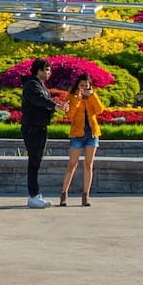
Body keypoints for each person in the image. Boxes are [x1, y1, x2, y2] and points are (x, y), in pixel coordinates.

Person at [18, 58, 65, 209]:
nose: (49, 72)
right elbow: (39, 100)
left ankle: (35, 195)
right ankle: (34, 196)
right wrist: (54, 106)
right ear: (38, 70)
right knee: (34, 162)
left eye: (49, 69)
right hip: (32, 128)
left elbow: (44, 100)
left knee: (36, 162)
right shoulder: (32, 85)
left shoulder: (40, 85)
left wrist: (56, 106)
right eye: (46, 69)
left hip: (39, 127)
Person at [58, 73, 104, 207]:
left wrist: (92, 95)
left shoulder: (91, 97)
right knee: (72, 164)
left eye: (86, 86)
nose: (84, 88)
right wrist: (78, 99)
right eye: (81, 85)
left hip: (92, 134)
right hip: (77, 134)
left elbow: (100, 110)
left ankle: (85, 195)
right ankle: (64, 193)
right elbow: (70, 115)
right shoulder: (72, 97)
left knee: (88, 165)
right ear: (78, 86)